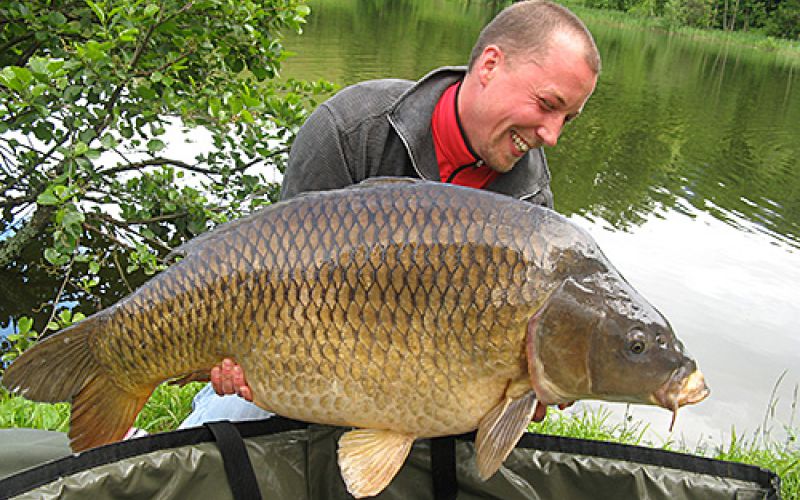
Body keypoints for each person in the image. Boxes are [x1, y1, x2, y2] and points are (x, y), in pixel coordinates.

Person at [178, 0, 600, 430]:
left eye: (568, 118)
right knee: (225, 430)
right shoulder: (350, 130)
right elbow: (270, 269)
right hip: (305, 363)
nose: (552, 134)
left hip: (431, 390)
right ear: (490, 65)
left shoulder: (530, 203)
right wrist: (243, 359)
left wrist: (529, 389)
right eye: (548, 104)